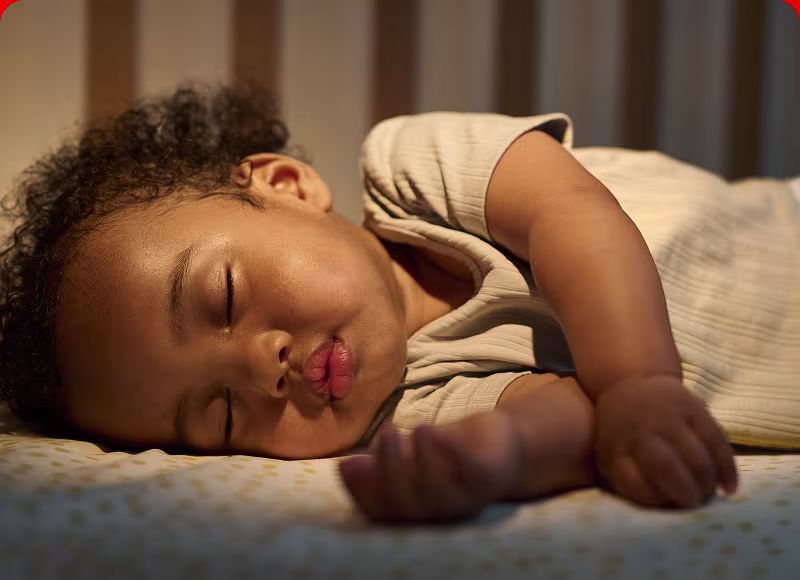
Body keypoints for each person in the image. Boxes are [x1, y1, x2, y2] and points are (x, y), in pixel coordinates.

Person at [0, 84, 743, 525]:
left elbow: (569, 211)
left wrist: (638, 383)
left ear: (286, 187)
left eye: (224, 297)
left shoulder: (415, 173)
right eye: (221, 414)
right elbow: (568, 412)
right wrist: (497, 458)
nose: (264, 368)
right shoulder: (407, 410)